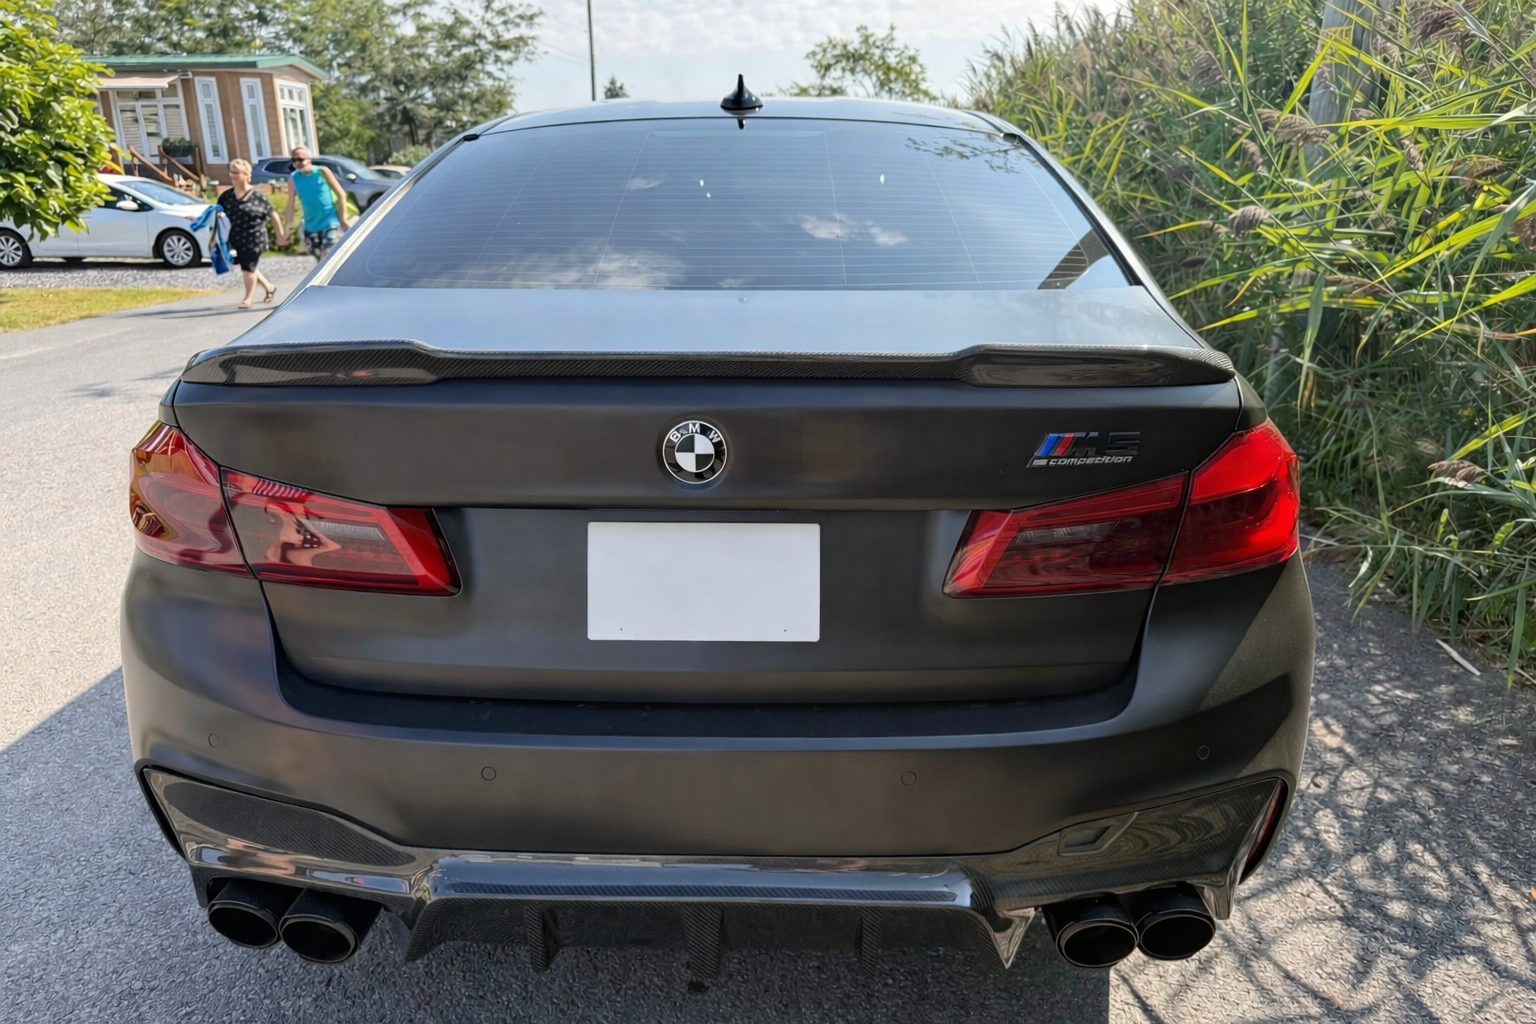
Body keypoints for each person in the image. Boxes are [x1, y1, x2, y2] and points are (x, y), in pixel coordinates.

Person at [216, 159, 288, 309]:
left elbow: (273, 214)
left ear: (246, 175)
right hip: (235, 238)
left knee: (248, 267)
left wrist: (281, 235)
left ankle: (248, 298)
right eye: (231, 172)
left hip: (255, 238)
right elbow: (216, 212)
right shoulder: (226, 197)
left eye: (236, 173)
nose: (233, 176)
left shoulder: (258, 197)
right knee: (249, 266)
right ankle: (269, 287)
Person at [285, 146, 351, 261]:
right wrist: (286, 229)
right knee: (320, 262)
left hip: (330, 222)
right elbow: (290, 204)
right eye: (294, 160)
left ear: (309, 159)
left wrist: (343, 219)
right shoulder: (293, 179)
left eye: (300, 159)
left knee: (328, 253)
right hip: (311, 226)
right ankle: (331, 279)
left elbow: (341, 194)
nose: (297, 163)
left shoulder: (322, 172)